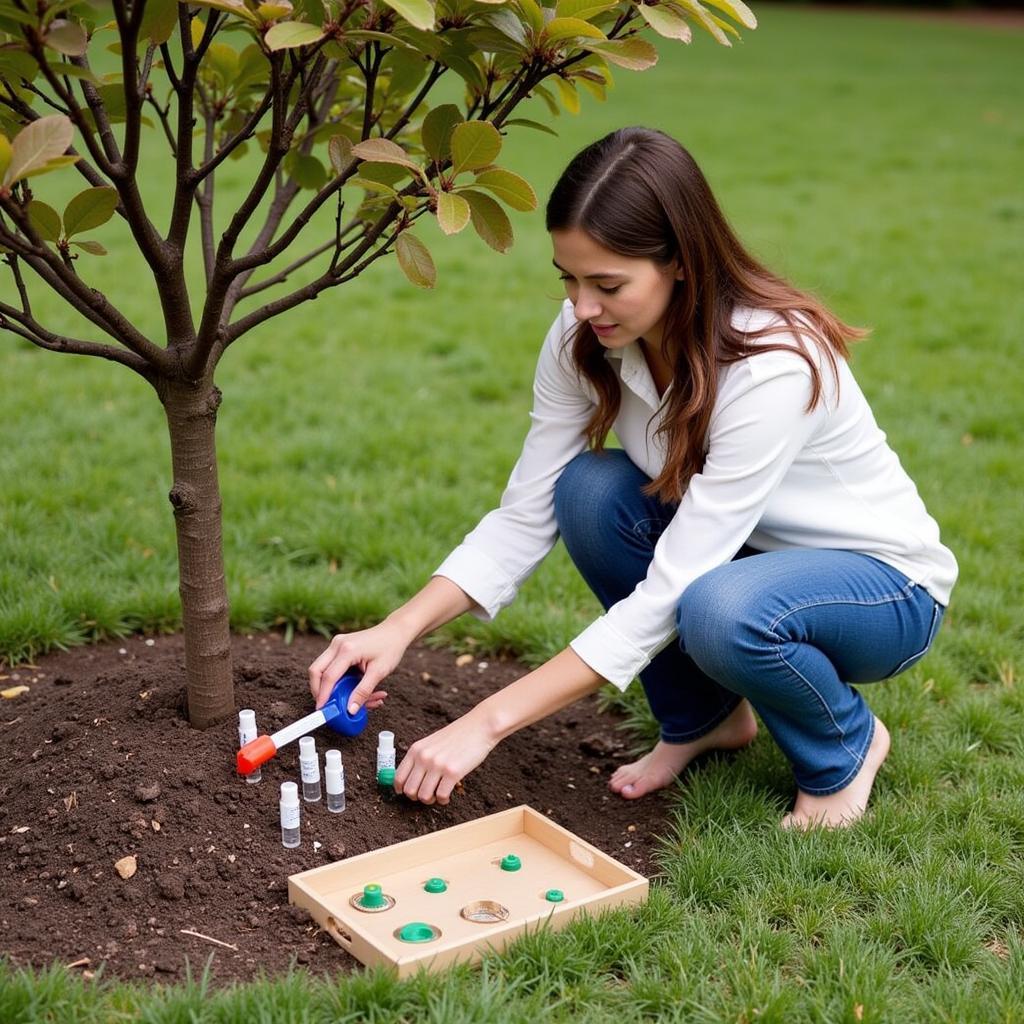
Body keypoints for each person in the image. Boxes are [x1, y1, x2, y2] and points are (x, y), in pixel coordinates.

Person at [309, 127, 957, 829]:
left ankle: (845, 748)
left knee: (718, 608)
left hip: (883, 589)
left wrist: (486, 723)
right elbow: (525, 517)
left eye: (608, 284)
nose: (583, 307)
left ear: (680, 262)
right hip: (742, 561)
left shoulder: (774, 363)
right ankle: (703, 719)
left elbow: (674, 590)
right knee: (588, 492)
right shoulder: (584, 336)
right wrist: (399, 627)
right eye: (569, 278)